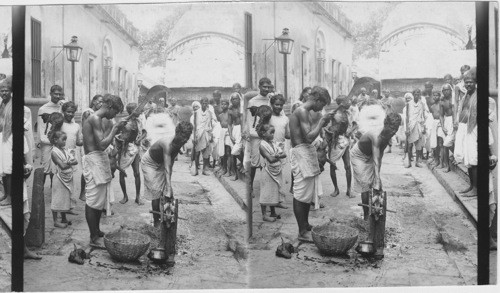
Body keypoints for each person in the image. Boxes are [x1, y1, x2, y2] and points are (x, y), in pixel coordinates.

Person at [350, 112, 401, 258]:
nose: (393, 131)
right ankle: (367, 216)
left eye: (396, 129)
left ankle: (375, 216)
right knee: (366, 185)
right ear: (385, 123)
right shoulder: (375, 135)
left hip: (372, 156)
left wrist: (378, 178)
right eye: (391, 127)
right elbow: (376, 158)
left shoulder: (388, 136)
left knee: (376, 186)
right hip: (359, 156)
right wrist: (377, 178)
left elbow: (380, 157)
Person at [288, 86, 331, 242]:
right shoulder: (301, 111)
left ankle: (305, 225)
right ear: (317, 100)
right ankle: (301, 231)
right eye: (322, 104)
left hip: (305, 152)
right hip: (300, 152)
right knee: (300, 194)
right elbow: (308, 137)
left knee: (306, 193)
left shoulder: (305, 112)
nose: (321, 108)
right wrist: (322, 122)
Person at [82, 94, 125, 248]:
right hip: (94, 159)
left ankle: (97, 230)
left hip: (98, 159)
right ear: (110, 107)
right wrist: (114, 129)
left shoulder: (98, 120)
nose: (114, 115)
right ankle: (93, 237)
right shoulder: (94, 118)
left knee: (99, 200)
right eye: (115, 112)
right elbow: (101, 145)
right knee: (93, 201)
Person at [141, 121, 193, 227]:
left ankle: (165, 216)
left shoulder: (179, 143)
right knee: (155, 192)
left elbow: (170, 164)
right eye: (182, 136)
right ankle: (156, 222)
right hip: (150, 163)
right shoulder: (167, 144)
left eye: (187, 137)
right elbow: (167, 167)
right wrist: (169, 187)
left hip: (161, 163)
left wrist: (168, 186)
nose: (184, 140)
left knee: (165, 191)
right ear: (177, 133)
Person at [242, 78, 273, 196]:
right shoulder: (253, 101)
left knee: (267, 161)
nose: (266, 89)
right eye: (264, 86)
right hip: (256, 135)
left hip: (268, 134)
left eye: (268, 87)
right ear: (259, 87)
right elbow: (250, 121)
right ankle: (250, 186)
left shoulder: (270, 100)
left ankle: (267, 187)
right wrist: (253, 134)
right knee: (255, 162)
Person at [453, 68, 478, 197]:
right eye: (466, 82)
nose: (468, 84)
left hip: (473, 129)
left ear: (475, 82)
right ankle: (471, 186)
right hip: (464, 128)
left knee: (473, 158)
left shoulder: (478, 95)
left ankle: (476, 189)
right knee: (467, 159)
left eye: (470, 82)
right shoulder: (466, 95)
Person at [257, 121, 286, 222]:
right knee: (266, 192)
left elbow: (284, 154)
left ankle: (273, 211)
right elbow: (271, 159)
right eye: (271, 132)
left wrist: (277, 155)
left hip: (276, 169)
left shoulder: (274, 143)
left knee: (274, 191)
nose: (273, 135)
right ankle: (264, 215)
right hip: (267, 171)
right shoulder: (262, 145)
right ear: (263, 133)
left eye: (274, 132)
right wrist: (278, 155)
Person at [324, 95, 353, 198]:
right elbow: (326, 126)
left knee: (348, 166)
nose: (349, 103)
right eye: (346, 101)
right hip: (334, 141)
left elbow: (351, 126)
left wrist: (350, 132)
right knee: (333, 165)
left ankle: (349, 190)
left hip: (344, 140)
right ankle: (336, 189)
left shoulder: (348, 113)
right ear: (341, 103)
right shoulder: (334, 113)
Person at [37, 85, 65, 187]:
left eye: (60, 94)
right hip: (47, 142)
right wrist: (41, 141)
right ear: (51, 94)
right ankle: (40, 191)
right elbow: (41, 128)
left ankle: (55, 191)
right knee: (46, 167)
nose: (57, 96)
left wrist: (63, 107)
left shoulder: (62, 107)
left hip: (59, 142)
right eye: (55, 94)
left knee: (56, 168)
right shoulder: (43, 109)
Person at [117, 103, 144, 205]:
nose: (139, 111)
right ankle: (125, 196)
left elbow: (144, 132)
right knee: (122, 172)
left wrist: (139, 139)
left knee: (137, 173)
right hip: (124, 149)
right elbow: (117, 133)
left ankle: (138, 197)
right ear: (131, 111)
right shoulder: (124, 121)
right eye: (137, 109)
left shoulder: (139, 121)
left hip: (134, 148)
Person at [50, 129, 78, 228]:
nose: (65, 142)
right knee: (57, 199)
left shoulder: (65, 150)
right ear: (55, 140)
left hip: (67, 176)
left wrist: (70, 162)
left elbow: (75, 161)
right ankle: (55, 221)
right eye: (63, 140)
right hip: (59, 178)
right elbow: (62, 166)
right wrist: (70, 162)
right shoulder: (54, 152)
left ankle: (64, 218)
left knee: (64, 198)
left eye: (66, 140)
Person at [58, 101, 83, 215]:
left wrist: (87, 139)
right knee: (62, 182)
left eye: (72, 112)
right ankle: (61, 208)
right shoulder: (60, 124)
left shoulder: (77, 126)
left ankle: (70, 206)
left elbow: (78, 142)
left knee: (72, 181)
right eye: (68, 111)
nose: (70, 114)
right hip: (61, 154)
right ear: (63, 112)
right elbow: (54, 138)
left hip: (72, 155)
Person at [23, 116, 42, 259]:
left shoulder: (22, 139)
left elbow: (26, 159)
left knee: (24, 215)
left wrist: (27, 168)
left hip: (19, 180)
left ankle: (23, 249)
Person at [79, 95, 103, 200]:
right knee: (86, 167)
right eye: (99, 101)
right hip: (87, 142)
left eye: (103, 102)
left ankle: (90, 190)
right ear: (94, 101)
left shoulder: (98, 114)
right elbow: (86, 129)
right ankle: (82, 192)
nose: (101, 104)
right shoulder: (88, 112)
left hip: (94, 142)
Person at [269, 94, 290, 208]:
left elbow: (287, 134)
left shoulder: (285, 118)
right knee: (271, 175)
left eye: (281, 105)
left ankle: (279, 200)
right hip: (270, 147)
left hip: (281, 148)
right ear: (272, 104)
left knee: (280, 175)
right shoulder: (268, 117)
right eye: (276, 104)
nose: (278, 107)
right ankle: (271, 201)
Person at [190, 97, 216, 176]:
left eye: (206, 103)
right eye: (203, 103)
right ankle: (196, 169)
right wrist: (194, 137)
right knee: (197, 153)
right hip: (198, 134)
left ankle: (205, 169)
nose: (205, 104)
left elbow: (211, 124)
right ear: (201, 103)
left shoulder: (209, 113)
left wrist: (211, 135)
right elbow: (194, 127)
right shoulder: (196, 113)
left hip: (206, 134)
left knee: (206, 153)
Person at [402, 91, 427, 167]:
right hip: (411, 126)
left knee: (418, 145)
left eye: (418, 94)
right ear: (413, 95)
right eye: (415, 94)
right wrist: (407, 129)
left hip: (419, 125)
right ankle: (409, 162)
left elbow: (423, 116)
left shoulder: (422, 104)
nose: (416, 96)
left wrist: (424, 127)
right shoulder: (409, 104)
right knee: (410, 145)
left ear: (420, 95)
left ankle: (417, 162)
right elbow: (407, 117)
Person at [0, 77, 13, 206]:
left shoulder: (13, 104)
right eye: (2, 90)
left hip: (10, 138)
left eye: (6, 90)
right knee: (2, 168)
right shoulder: (2, 104)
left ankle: (10, 197)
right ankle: (5, 194)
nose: (4, 93)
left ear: (10, 91)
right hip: (2, 138)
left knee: (9, 168)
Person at [438, 84, 455, 172]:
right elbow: (441, 115)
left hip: (455, 120)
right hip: (447, 121)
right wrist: (442, 126)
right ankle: (447, 164)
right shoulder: (442, 101)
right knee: (446, 143)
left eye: (447, 90)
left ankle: (449, 164)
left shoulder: (455, 99)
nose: (445, 92)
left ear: (451, 90)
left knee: (447, 143)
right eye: (444, 90)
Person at [228, 93, 244, 180]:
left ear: (239, 99)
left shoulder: (242, 108)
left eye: (236, 99)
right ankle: (235, 174)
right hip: (235, 130)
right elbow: (229, 124)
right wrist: (230, 135)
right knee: (233, 152)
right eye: (233, 99)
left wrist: (243, 131)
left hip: (243, 129)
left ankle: (243, 163)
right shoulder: (230, 111)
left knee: (239, 150)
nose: (235, 100)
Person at [217, 98, 232, 176]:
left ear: (228, 105)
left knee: (228, 152)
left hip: (229, 133)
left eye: (225, 104)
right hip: (223, 133)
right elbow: (221, 125)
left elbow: (230, 124)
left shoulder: (230, 113)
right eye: (222, 104)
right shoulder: (220, 115)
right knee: (222, 152)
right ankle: (223, 168)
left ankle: (228, 170)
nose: (223, 105)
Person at [427, 91, 442, 165]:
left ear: (439, 96)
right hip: (434, 123)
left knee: (440, 142)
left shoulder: (441, 104)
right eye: (434, 95)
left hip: (441, 123)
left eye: (437, 95)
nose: (435, 97)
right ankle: (436, 159)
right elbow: (432, 117)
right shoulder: (432, 106)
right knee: (434, 142)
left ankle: (440, 160)